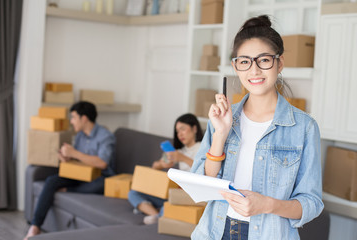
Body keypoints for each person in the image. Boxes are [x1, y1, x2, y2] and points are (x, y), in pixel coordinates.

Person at [190, 15, 323, 240]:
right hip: (214, 231)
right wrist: (221, 134)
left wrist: (266, 205)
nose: (254, 70)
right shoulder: (222, 118)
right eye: (245, 61)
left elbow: (311, 204)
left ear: (279, 63)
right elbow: (200, 183)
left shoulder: (304, 127)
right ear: (235, 66)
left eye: (263, 60)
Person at [24, 101, 116, 240]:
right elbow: (79, 161)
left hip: (99, 176)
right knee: (51, 181)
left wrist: (75, 153)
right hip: (81, 175)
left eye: (73, 117)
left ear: (84, 118)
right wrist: (67, 158)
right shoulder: (80, 135)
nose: (71, 121)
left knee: (101, 184)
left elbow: (102, 163)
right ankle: (35, 226)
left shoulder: (105, 136)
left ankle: (69, 190)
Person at [128, 113, 203, 225]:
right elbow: (154, 167)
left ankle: (157, 214)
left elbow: (205, 172)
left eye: (183, 129)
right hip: (175, 192)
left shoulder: (202, 147)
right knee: (133, 193)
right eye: (177, 131)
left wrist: (183, 158)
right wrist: (162, 164)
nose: (179, 134)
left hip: (190, 195)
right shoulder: (179, 151)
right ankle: (155, 214)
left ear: (194, 128)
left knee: (168, 207)